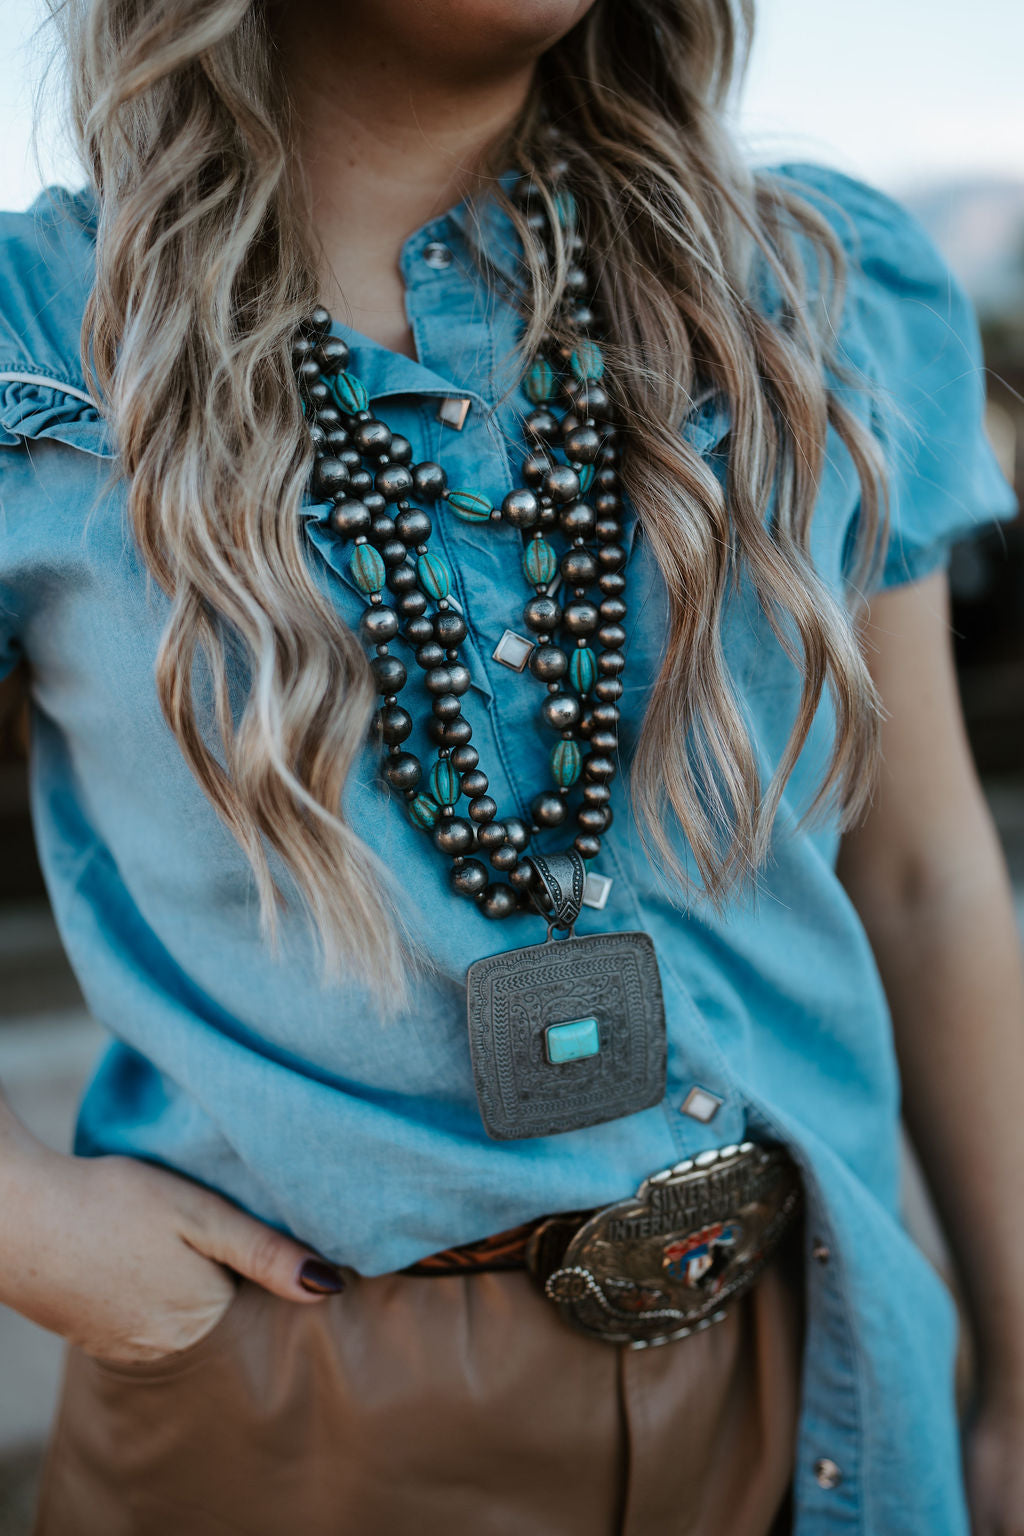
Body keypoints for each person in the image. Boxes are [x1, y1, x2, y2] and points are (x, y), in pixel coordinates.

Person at [0, 0, 1021, 1531]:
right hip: (290, 1402)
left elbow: (928, 874)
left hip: (827, 1370)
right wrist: (34, 1233)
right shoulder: (33, 346)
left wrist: (1019, 1356)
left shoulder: (828, 290)